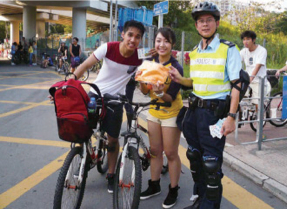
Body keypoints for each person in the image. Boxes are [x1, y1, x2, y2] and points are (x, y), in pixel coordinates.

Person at [169, 2, 241, 209]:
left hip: (214, 115)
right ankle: (201, 200)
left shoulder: (228, 49)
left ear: (217, 23)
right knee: (194, 157)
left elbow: (236, 84)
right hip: (193, 112)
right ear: (196, 26)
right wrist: (180, 79)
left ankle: (210, 206)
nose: (205, 24)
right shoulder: (195, 52)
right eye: (201, 21)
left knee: (211, 165)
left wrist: (231, 116)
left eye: (209, 20)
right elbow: (196, 82)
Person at [70, 20, 146, 193]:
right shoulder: (108, 48)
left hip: (116, 100)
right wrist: (69, 81)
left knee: (112, 140)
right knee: (83, 131)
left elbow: (144, 82)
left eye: (138, 37)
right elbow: (85, 65)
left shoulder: (140, 58)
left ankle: (111, 174)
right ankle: (84, 158)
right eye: (130, 35)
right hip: (96, 95)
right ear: (123, 35)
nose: (133, 40)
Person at [138, 27, 183, 209]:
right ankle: (154, 185)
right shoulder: (149, 62)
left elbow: (170, 97)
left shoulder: (176, 68)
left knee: (171, 153)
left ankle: (173, 189)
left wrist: (159, 92)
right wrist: (142, 81)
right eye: (158, 40)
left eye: (166, 41)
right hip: (154, 112)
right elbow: (143, 91)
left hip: (171, 113)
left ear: (172, 44)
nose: (161, 44)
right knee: (155, 151)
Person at [240, 30, 271, 111]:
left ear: (253, 40)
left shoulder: (262, 50)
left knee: (257, 104)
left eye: (247, 39)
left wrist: (250, 79)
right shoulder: (244, 51)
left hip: (258, 80)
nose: (245, 42)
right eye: (244, 39)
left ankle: (259, 120)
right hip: (247, 79)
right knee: (238, 99)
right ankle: (241, 120)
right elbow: (236, 61)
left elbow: (257, 66)